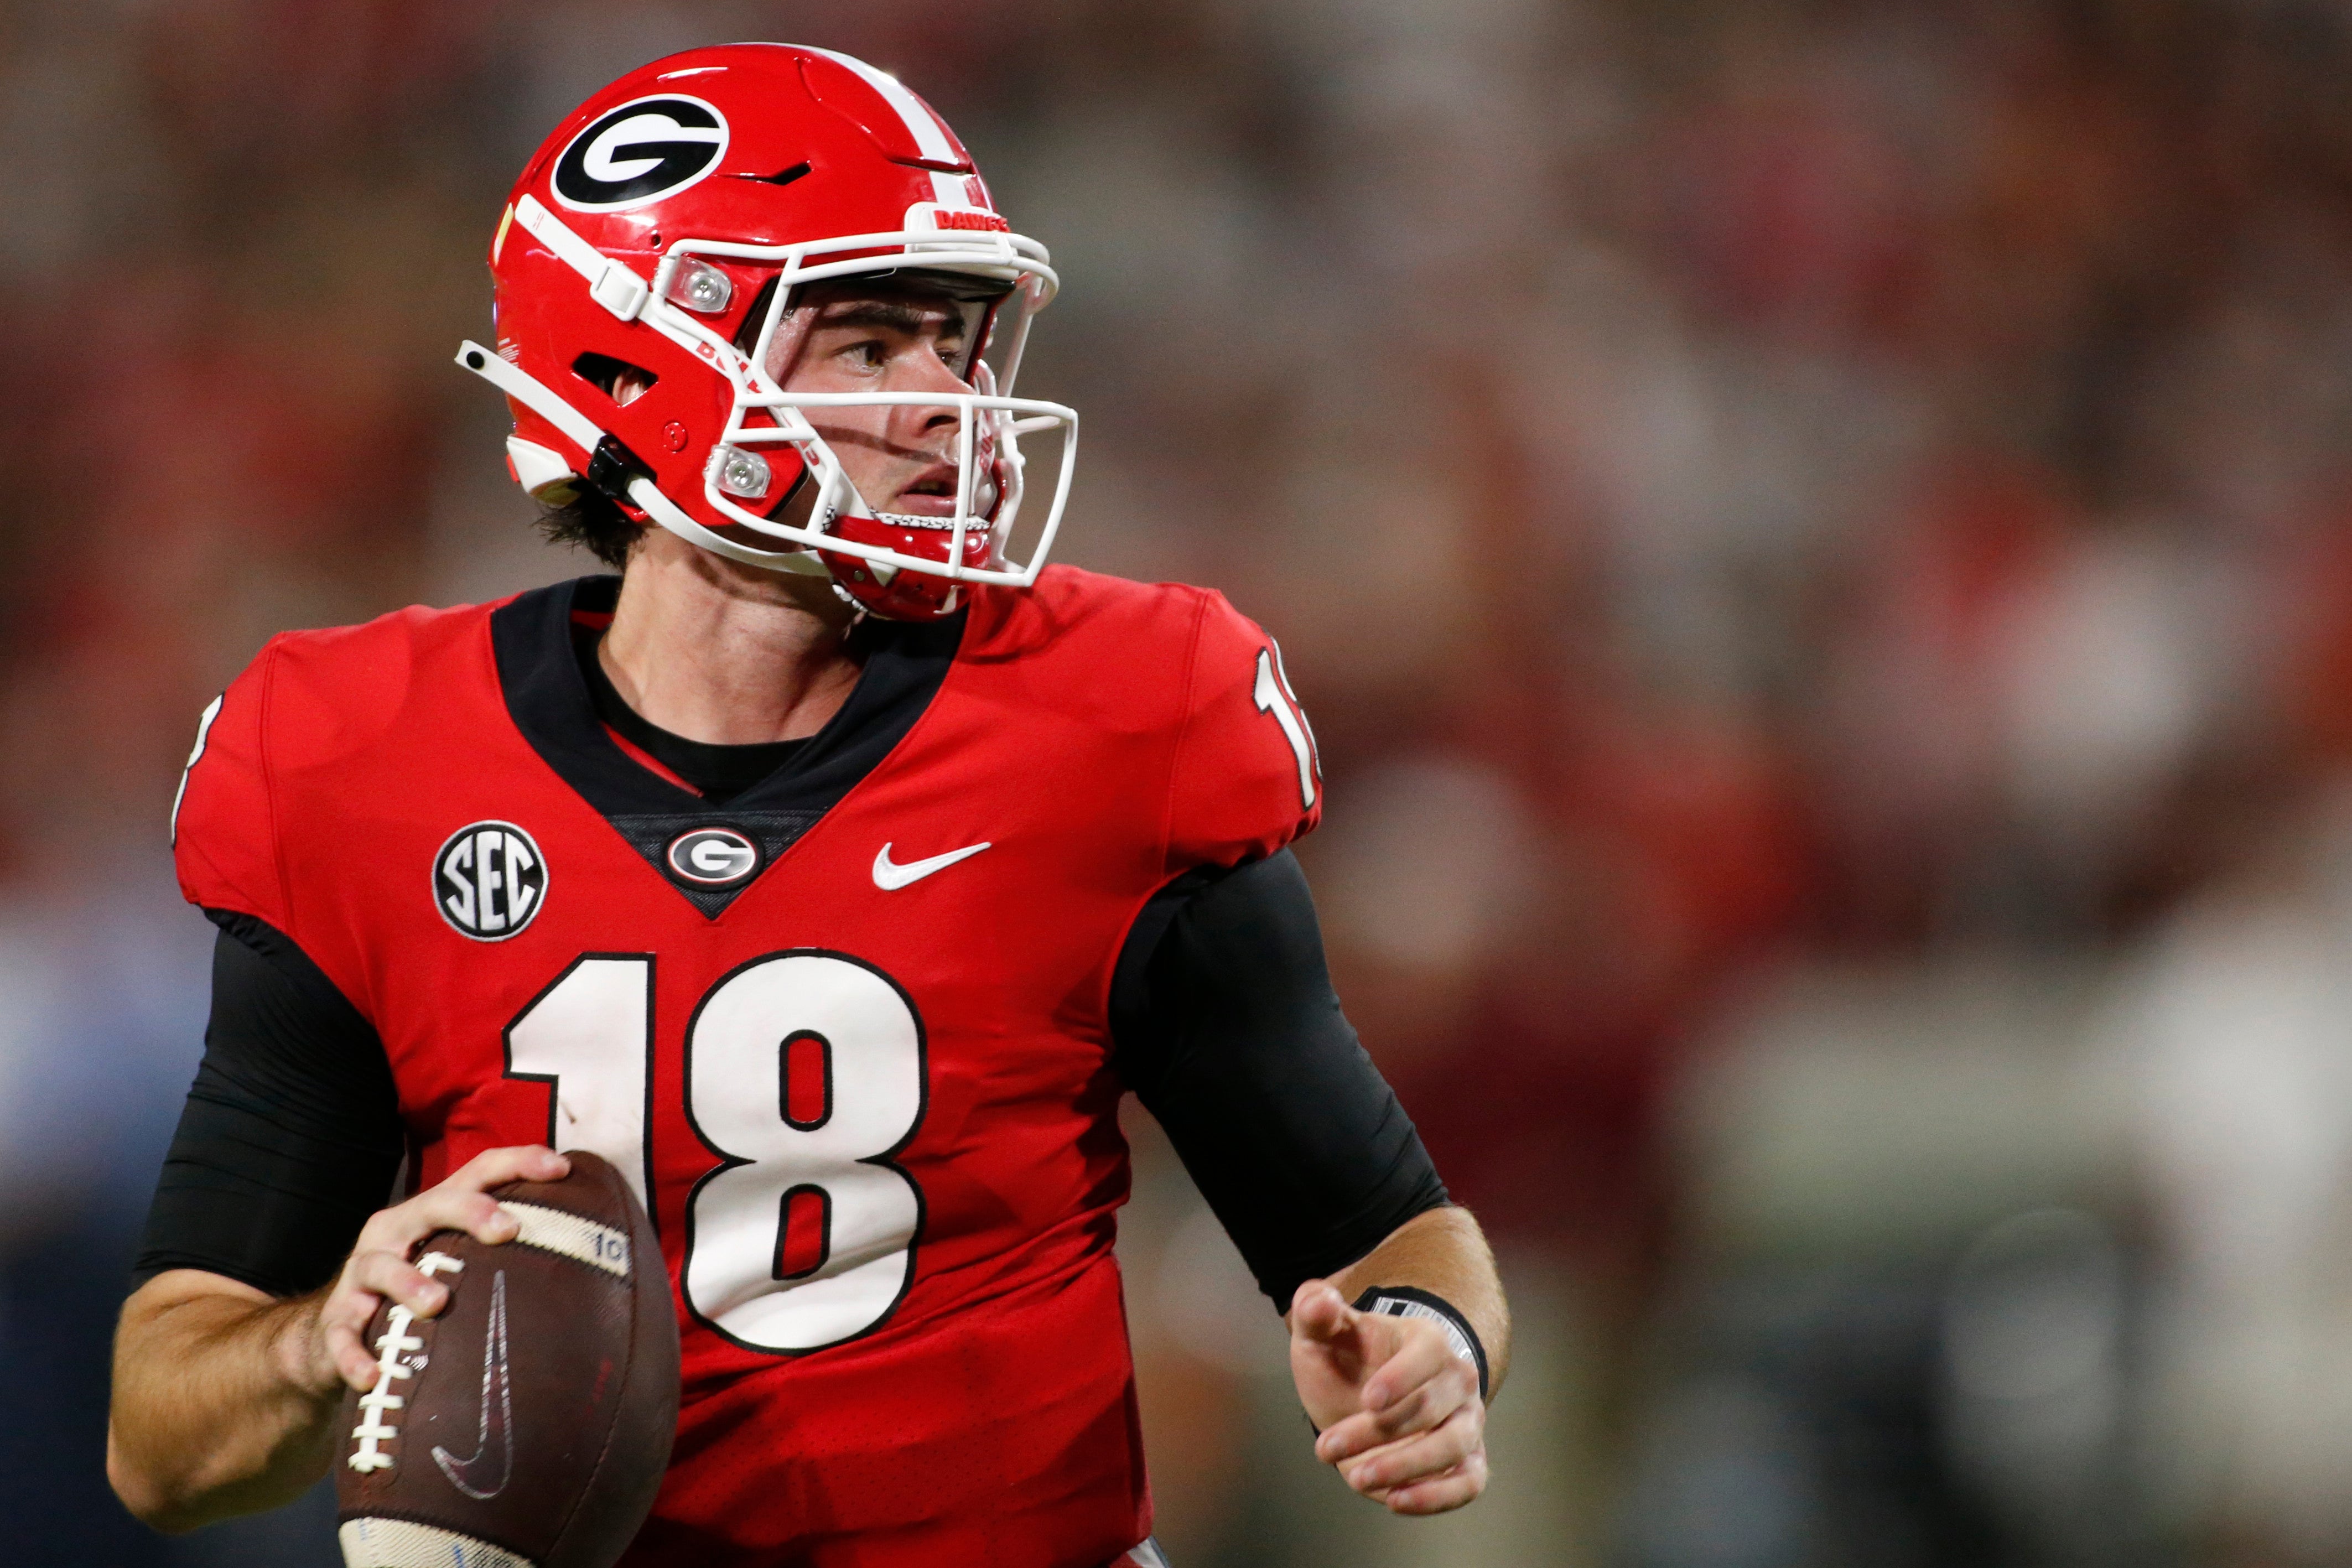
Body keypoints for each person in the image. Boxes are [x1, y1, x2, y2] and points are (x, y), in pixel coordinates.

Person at [106, 42, 1508, 1568]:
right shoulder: (358, 760)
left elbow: (1382, 1228)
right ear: (635, 369)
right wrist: (320, 1340)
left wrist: (1428, 1335)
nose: (946, 403)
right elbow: (164, 1438)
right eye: (865, 344)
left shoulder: (1117, 719)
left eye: (959, 343)